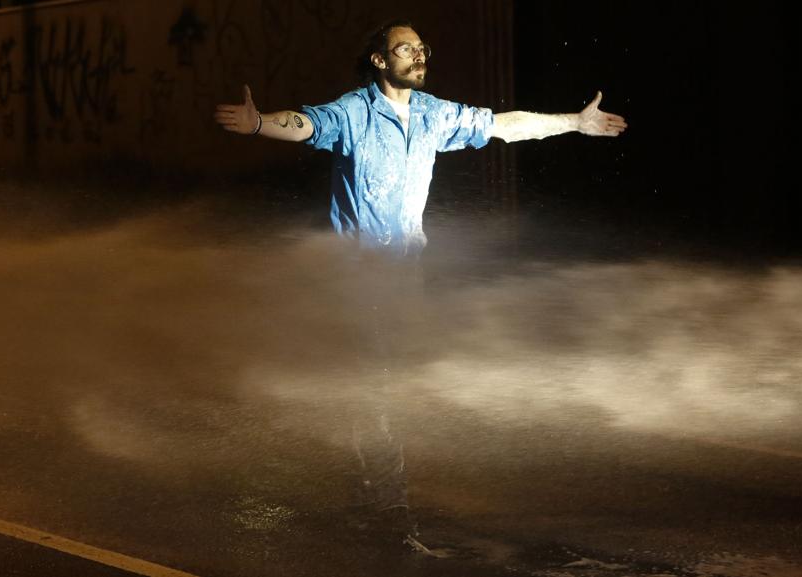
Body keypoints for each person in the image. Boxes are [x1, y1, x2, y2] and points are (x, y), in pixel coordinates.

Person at [214, 19, 626, 550]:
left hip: (406, 278)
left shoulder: (434, 115)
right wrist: (257, 124)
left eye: (421, 48)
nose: (418, 55)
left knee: (387, 390)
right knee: (379, 388)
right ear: (381, 61)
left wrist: (573, 122)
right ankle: (388, 513)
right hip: (357, 278)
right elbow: (304, 125)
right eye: (405, 49)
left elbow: (504, 125)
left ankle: (366, 496)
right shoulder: (354, 112)